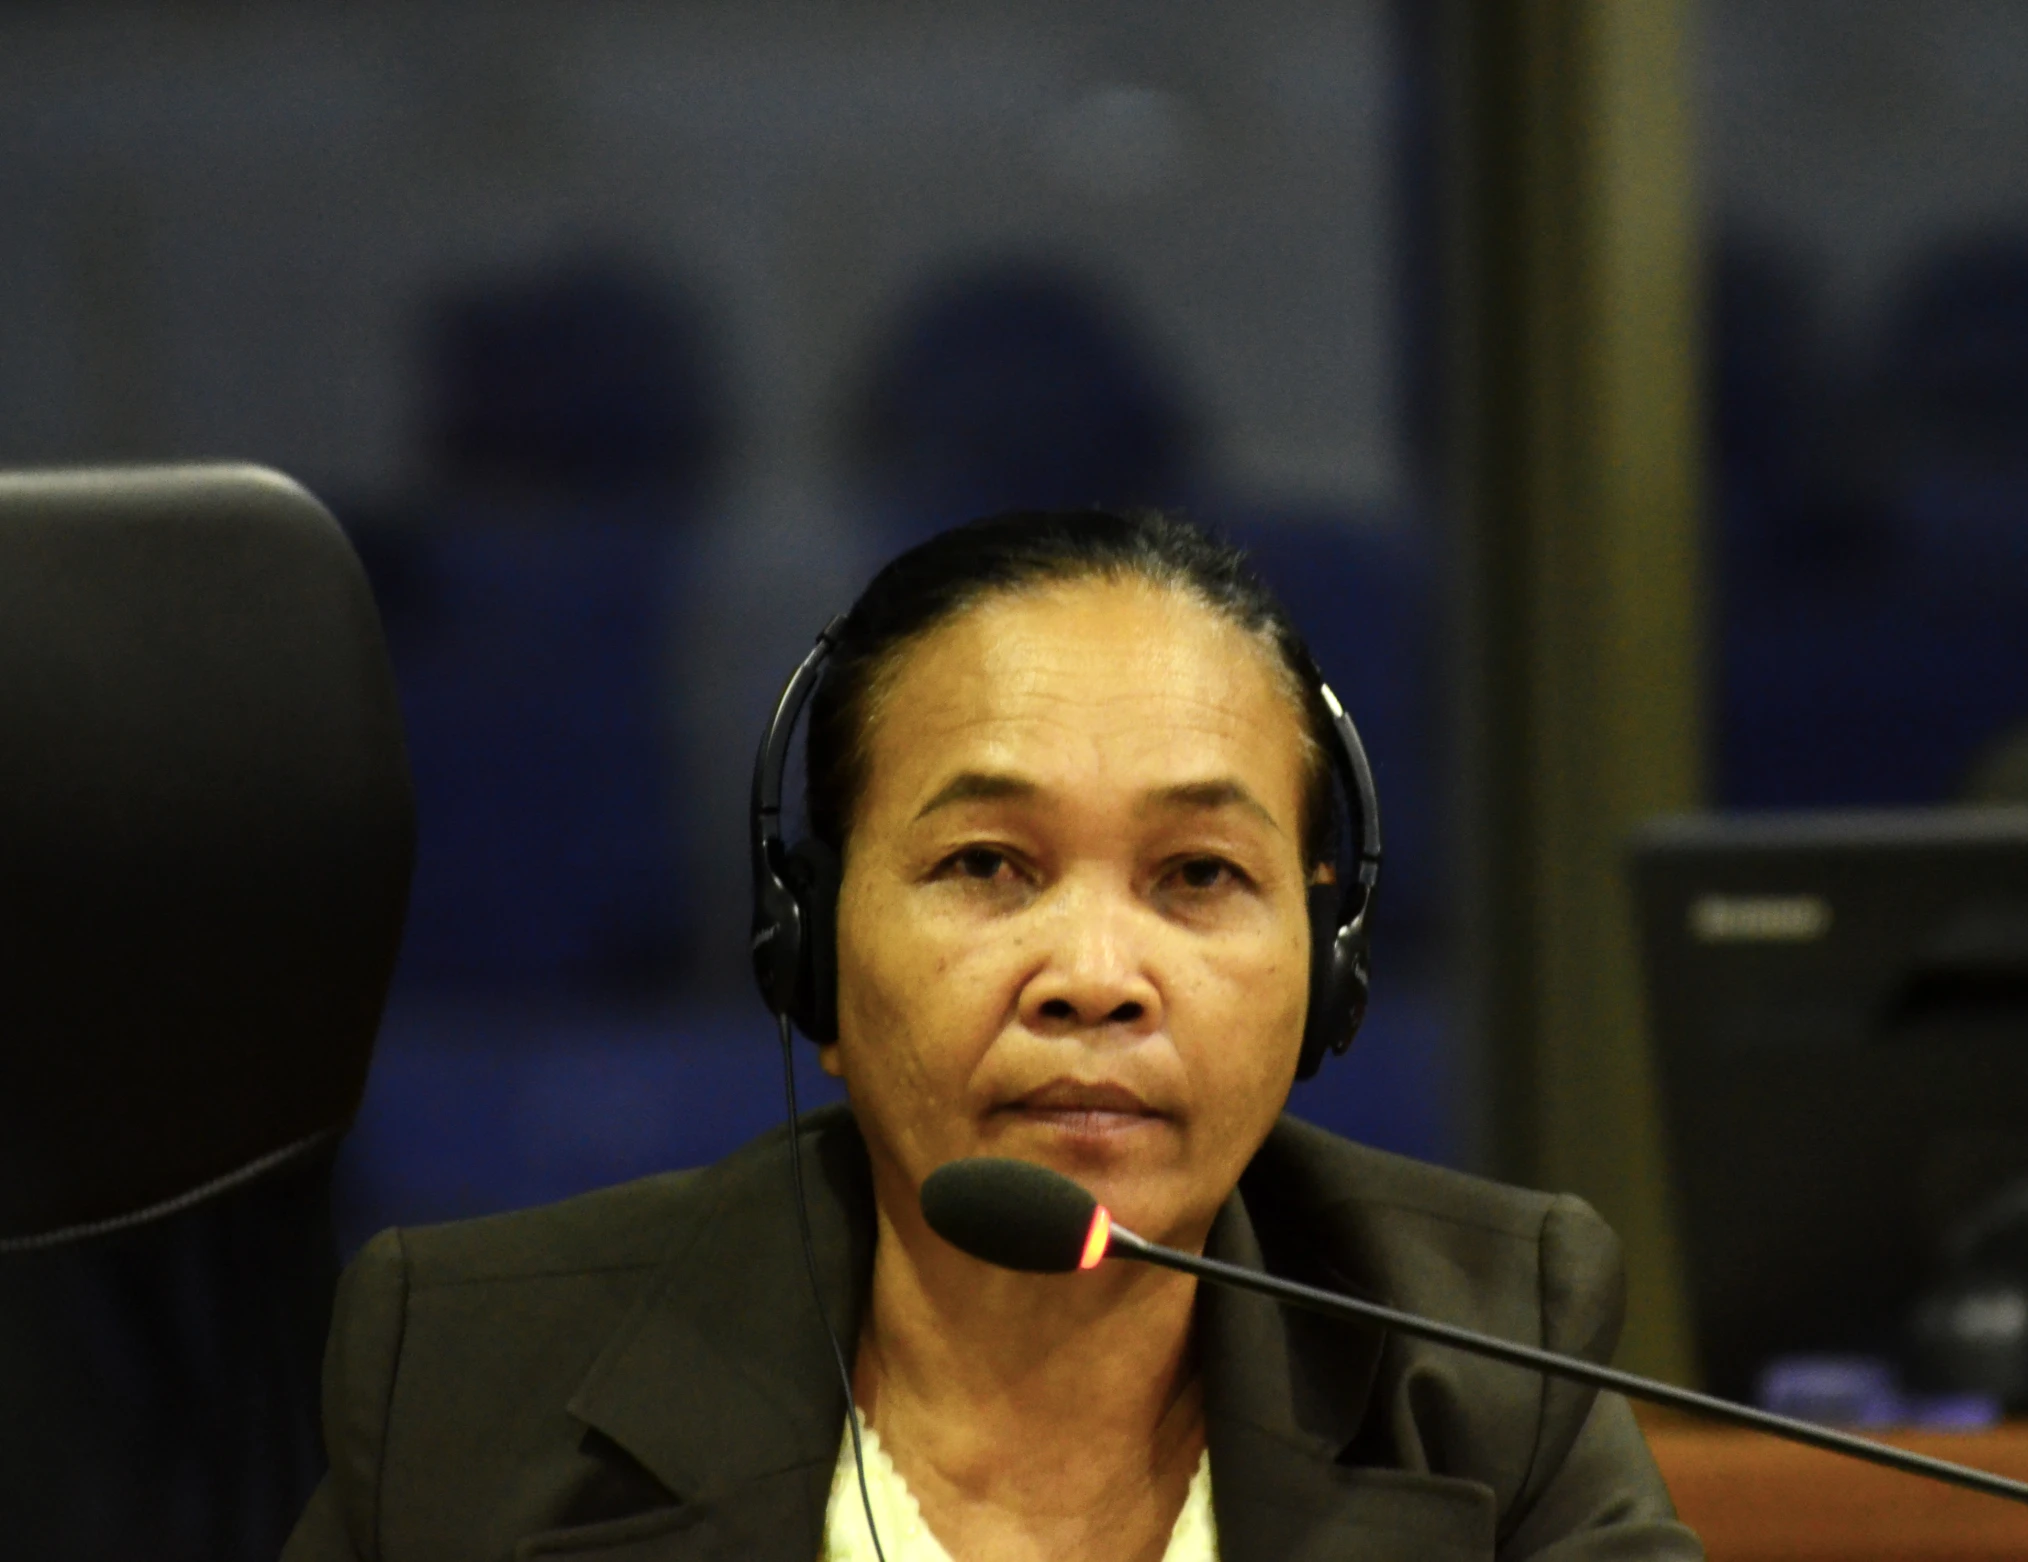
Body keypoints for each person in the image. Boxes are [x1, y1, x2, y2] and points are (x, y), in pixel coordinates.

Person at [282, 510, 1702, 1562]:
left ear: (1326, 965)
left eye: (1197, 876)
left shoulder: (1487, 1359)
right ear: (812, 946)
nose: (1093, 976)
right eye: (986, 867)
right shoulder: (470, 1378)